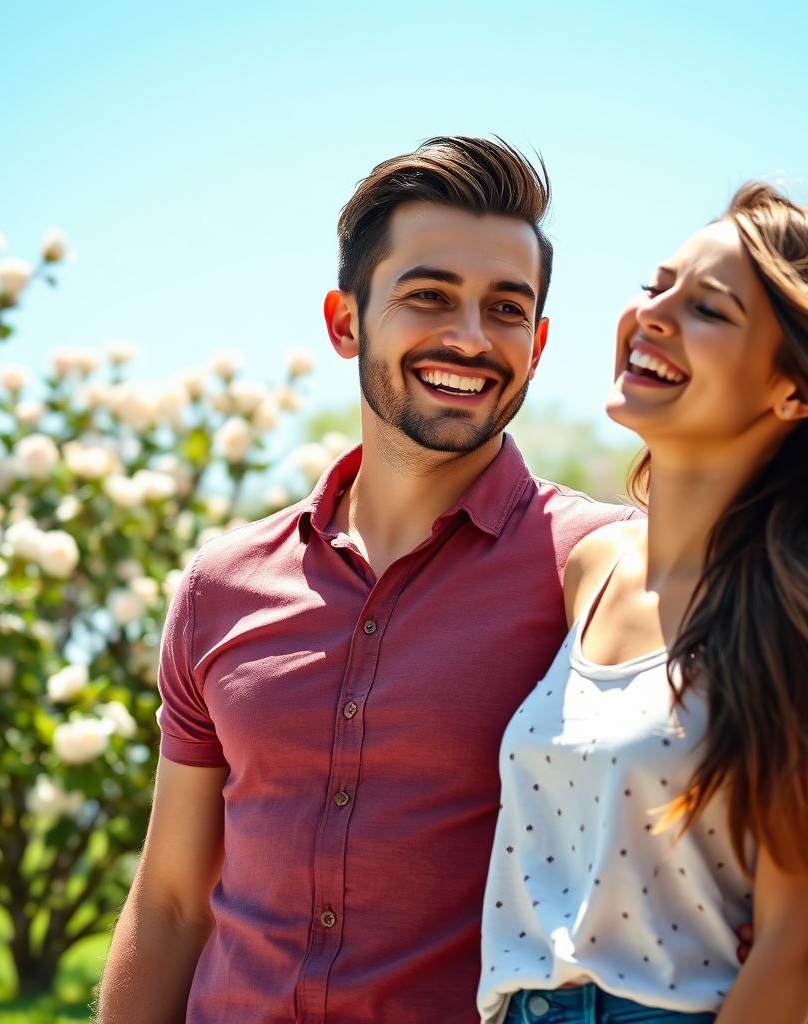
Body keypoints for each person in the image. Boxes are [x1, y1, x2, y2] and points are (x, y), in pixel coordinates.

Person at [95, 137, 640, 1024]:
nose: (470, 337)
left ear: (538, 344)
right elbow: (168, 901)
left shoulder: (607, 570)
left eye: (506, 308)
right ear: (346, 322)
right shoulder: (221, 586)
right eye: (428, 296)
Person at [478, 183, 808, 1024]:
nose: (654, 315)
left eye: (707, 308)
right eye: (654, 284)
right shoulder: (591, 568)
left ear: (797, 391)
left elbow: (800, 946)